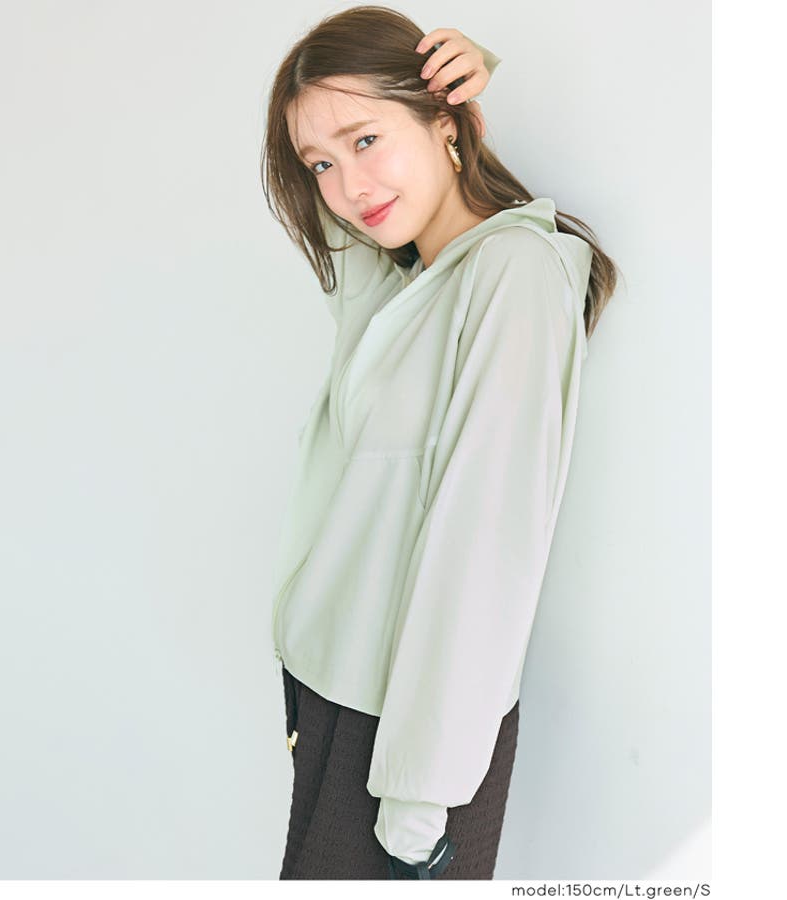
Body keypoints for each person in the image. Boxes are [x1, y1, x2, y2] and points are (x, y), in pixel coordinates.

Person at [260, 5, 619, 880]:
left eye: (366, 139)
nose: (348, 185)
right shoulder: (396, 283)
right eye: (321, 162)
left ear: (446, 124)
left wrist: (419, 805)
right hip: (335, 698)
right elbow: (341, 229)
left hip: (408, 739)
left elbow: (484, 548)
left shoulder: (512, 272)